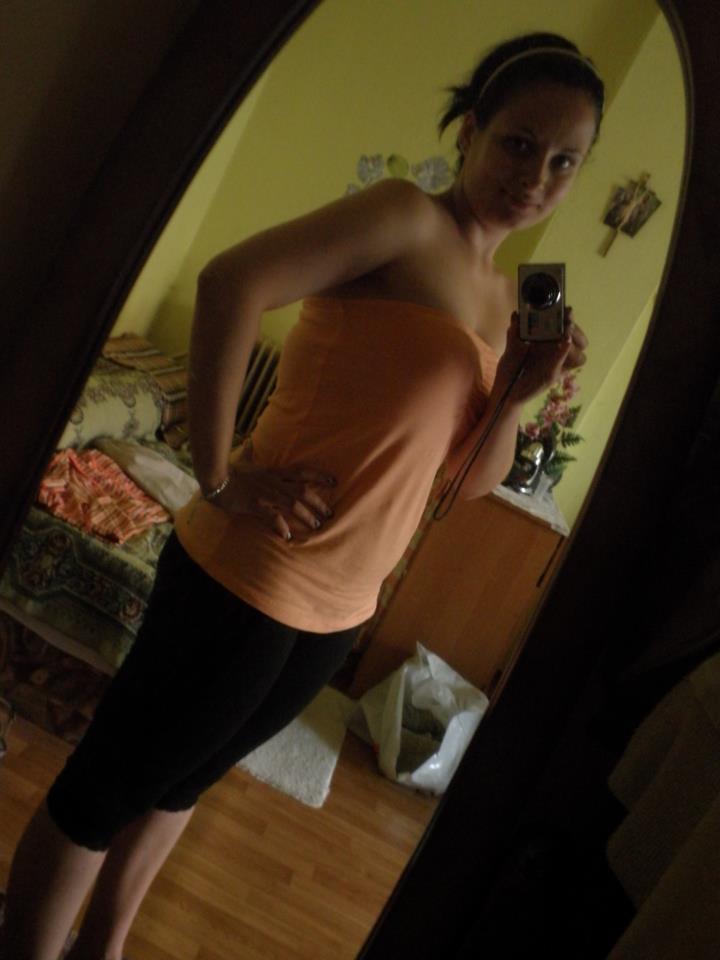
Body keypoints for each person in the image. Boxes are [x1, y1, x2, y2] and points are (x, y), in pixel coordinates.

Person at [0, 31, 604, 960]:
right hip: (249, 575)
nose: (535, 177)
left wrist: (518, 396)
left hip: (340, 608)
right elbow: (229, 282)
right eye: (519, 143)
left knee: (184, 782)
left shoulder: (505, 301)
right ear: (472, 131)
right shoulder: (406, 219)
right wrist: (219, 475)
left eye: (564, 161)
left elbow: (466, 483)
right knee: (106, 790)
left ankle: (103, 948)